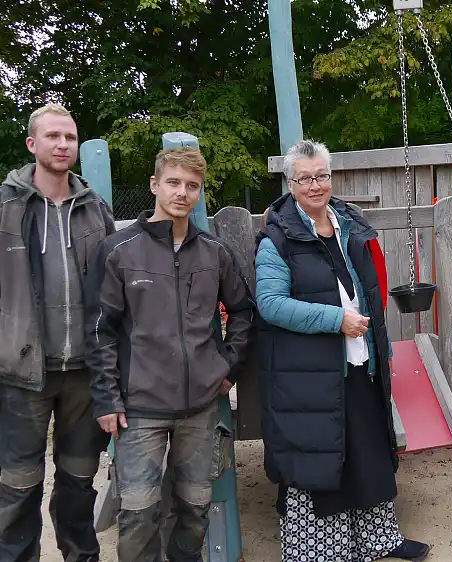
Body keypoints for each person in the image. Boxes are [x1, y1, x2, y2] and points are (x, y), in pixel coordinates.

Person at [255, 139, 430, 561]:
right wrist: (335, 320)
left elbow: (371, 295)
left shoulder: (350, 223)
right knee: (321, 455)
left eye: (322, 176)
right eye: (305, 178)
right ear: (290, 183)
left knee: (366, 448)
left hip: (360, 361)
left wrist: (380, 347)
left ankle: (378, 539)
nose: (315, 185)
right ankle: (323, 550)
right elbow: (271, 304)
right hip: (310, 373)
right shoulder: (277, 239)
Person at [85, 146, 255, 560]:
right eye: (174, 183)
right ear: (155, 185)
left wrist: (227, 365)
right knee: (139, 513)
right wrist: (107, 397)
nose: (182, 193)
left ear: (199, 193)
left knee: (195, 508)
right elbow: (99, 331)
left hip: (200, 405)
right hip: (139, 407)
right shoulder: (118, 251)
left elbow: (244, 311)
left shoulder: (213, 253)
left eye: (192, 186)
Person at [0, 104, 115, 561]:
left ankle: (80, 556)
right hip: (21, 371)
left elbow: (113, 290)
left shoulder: (95, 210)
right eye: (52, 136)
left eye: (69, 136)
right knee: (17, 485)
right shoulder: (6, 207)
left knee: (78, 482)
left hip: (84, 375)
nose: (62, 144)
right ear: (33, 144)